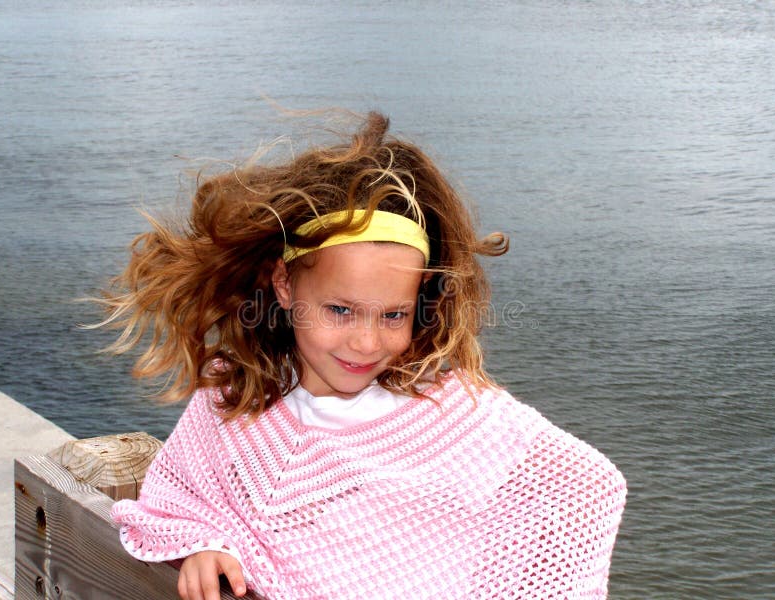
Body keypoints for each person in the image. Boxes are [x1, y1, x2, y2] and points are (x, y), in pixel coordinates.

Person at [103, 112, 626, 600]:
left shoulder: (454, 413)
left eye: (393, 315)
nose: (367, 342)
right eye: (340, 310)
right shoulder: (233, 396)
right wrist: (204, 544)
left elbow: (587, 484)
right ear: (285, 285)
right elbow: (175, 499)